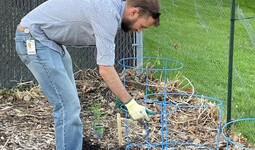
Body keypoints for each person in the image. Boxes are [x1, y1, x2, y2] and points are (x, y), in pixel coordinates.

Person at [14, 0, 160, 149]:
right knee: (67, 106)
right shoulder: (108, 14)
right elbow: (105, 69)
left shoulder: (111, 8)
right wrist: (131, 104)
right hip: (34, 38)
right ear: (134, 12)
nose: (139, 31)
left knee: (71, 105)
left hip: (51, 42)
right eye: (141, 26)